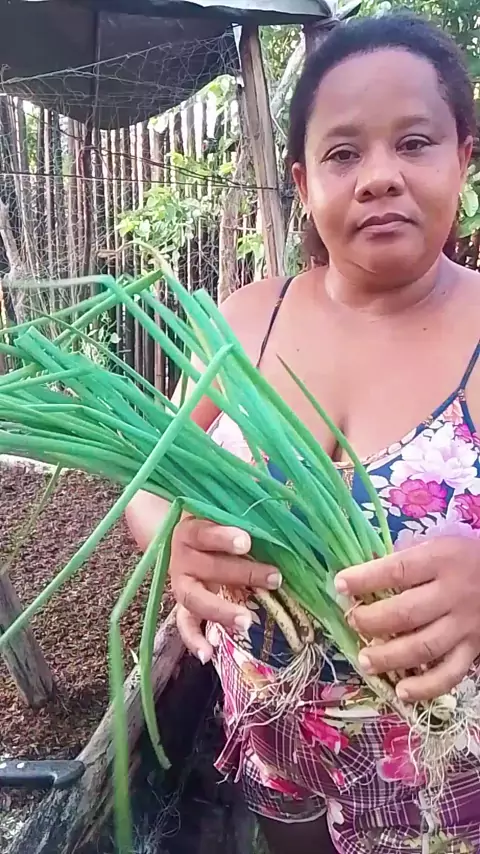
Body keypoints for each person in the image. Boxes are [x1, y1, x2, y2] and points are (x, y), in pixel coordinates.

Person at [126, 12, 480, 854]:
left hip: (445, 768)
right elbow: (149, 479)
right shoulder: (244, 322)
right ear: (302, 179)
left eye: (415, 143)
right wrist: (172, 539)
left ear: (464, 158)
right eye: (343, 153)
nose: (379, 177)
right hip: (274, 742)